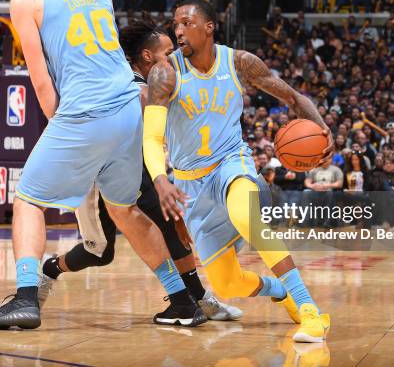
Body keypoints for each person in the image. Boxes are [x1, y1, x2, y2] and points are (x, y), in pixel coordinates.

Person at [0, 0, 204, 330]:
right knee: (124, 209)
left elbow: (40, 76)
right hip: (129, 103)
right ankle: (182, 301)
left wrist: (58, 126)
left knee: (27, 198)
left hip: (85, 110)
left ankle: (26, 297)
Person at [144, 0, 332, 342]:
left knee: (247, 216)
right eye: (175, 25)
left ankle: (309, 311)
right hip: (190, 186)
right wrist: (160, 179)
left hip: (232, 164)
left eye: (186, 23)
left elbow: (292, 98)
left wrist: (321, 127)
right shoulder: (164, 72)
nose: (179, 30)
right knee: (227, 283)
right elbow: (153, 137)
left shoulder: (240, 62)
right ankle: (281, 290)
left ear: (209, 26)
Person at [39, 17, 242, 322]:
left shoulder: (153, 86)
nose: (175, 57)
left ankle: (196, 300)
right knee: (99, 252)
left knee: (172, 225)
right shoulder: (133, 90)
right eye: (168, 51)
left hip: (134, 171)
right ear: (147, 57)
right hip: (97, 177)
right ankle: (49, 269)